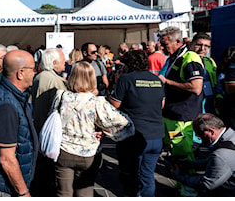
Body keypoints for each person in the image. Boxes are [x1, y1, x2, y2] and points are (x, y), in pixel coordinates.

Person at [54, 61, 134, 197]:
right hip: (88, 153)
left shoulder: (61, 96)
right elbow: (123, 123)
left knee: (63, 193)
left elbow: (55, 119)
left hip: (63, 150)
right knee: (85, 193)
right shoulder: (97, 102)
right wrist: (104, 131)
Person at [0, 50, 38, 197]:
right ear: (20, 73)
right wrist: (23, 192)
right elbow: (7, 159)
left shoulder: (13, 97)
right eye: (33, 69)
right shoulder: (7, 106)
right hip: (3, 186)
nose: (35, 72)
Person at [108, 50, 165, 197]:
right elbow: (162, 104)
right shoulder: (156, 79)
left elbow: (114, 105)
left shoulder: (126, 79)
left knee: (130, 177)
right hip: (156, 135)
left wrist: (115, 84)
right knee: (147, 176)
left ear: (129, 64)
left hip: (134, 136)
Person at [158, 26, 204, 196]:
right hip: (172, 115)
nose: (162, 48)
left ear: (178, 41)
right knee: (176, 152)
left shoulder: (189, 57)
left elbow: (196, 87)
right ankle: (181, 183)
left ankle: (190, 189)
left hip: (181, 118)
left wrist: (167, 82)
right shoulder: (173, 57)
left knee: (183, 153)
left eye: (165, 44)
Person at [30, 48, 67, 197]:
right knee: (47, 175)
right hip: (48, 132)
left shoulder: (42, 77)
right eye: (63, 60)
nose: (66, 63)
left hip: (41, 128)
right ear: (54, 62)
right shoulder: (53, 80)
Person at [174, 113, 235, 196]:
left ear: (211, 131)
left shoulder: (221, 155)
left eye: (199, 134)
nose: (197, 137)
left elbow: (207, 184)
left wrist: (178, 176)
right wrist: (193, 164)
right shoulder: (231, 134)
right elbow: (217, 163)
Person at [191, 33, 219, 114]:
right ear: (192, 44)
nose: (202, 48)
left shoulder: (209, 61)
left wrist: (218, 96)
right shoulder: (185, 60)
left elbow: (216, 81)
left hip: (209, 101)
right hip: (193, 103)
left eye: (206, 46)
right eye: (199, 45)